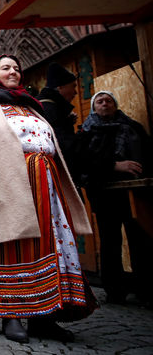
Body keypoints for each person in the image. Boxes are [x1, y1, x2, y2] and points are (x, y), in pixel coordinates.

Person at [0, 55, 95, 344]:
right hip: (10, 184)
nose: (13, 71)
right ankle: (10, 315)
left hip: (46, 185)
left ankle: (44, 317)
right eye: (6, 68)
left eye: (16, 68)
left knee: (48, 247)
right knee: (11, 247)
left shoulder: (31, 104)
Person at [76, 90, 152, 305]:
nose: (104, 104)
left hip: (134, 191)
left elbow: (146, 153)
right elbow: (84, 162)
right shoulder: (87, 132)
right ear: (94, 107)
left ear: (115, 105)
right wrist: (113, 165)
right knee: (110, 241)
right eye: (100, 101)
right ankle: (114, 289)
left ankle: (145, 287)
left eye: (108, 101)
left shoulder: (132, 128)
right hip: (104, 193)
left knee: (139, 239)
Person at [39, 62, 79, 174]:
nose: (75, 92)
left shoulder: (47, 106)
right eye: (73, 86)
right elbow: (65, 147)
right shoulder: (51, 110)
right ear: (60, 87)